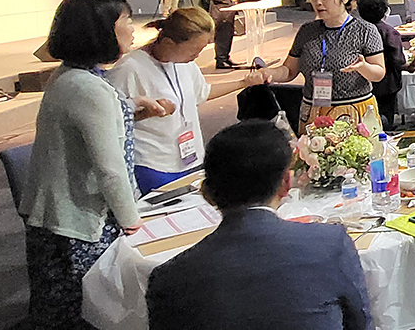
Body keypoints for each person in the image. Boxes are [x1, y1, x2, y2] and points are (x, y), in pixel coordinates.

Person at [146, 121, 371, 329]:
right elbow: (360, 324)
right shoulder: (330, 244)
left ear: (207, 193)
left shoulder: (168, 279)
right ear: (286, 184)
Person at [20, 0, 144, 327]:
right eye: (126, 21)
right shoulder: (89, 88)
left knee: (57, 311)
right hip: (80, 224)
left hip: (56, 217)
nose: (132, 29)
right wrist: (133, 222)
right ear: (101, 32)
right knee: (89, 309)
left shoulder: (68, 75)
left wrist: (130, 107)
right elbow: (110, 169)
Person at [108, 8, 259, 192]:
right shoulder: (129, 68)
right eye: (194, 49)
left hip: (191, 158)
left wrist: (243, 83)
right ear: (169, 43)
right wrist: (146, 113)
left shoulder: (184, 63)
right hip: (153, 163)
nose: (197, 55)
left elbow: (201, 93)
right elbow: (112, 118)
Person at [256, 0, 388, 135]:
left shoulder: (365, 30)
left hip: (353, 112)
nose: (318, 2)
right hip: (313, 112)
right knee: (312, 151)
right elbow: (289, 70)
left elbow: (379, 73)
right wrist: (268, 73)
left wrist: (363, 67)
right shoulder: (307, 31)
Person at [355, 0, 408, 130]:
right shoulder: (389, 32)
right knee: (386, 114)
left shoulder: (356, 31)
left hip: (363, 82)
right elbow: (398, 59)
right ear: (385, 10)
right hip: (388, 83)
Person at [205, 0, 242, 69]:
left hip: (229, 11)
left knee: (228, 35)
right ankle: (220, 60)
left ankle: (226, 57)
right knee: (222, 36)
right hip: (220, 12)